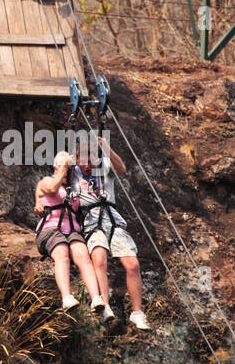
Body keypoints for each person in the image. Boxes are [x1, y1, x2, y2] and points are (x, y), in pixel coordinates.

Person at [69, 136, 150, 330]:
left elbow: (121, 168)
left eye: (91, 161)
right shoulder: (73, 173)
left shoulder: (103, 166)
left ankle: (137, 313)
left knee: (132, 264)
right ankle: (105, 306)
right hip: (91, 219)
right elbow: (62, 166)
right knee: (99, 259)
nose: (88, 165)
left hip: (112, 218)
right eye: (84, 161)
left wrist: (105, 147)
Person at [34, 150, 102, 311]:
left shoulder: (74, 189)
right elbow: (51, 189)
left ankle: (96, 298)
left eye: (69, 169)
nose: (67, 172)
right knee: (62, 253)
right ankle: (66, 297)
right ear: (55, 168)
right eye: (63, 168)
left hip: (72, 230)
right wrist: (64, 167)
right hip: (51, 229)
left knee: (84, 257)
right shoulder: (46, 181)